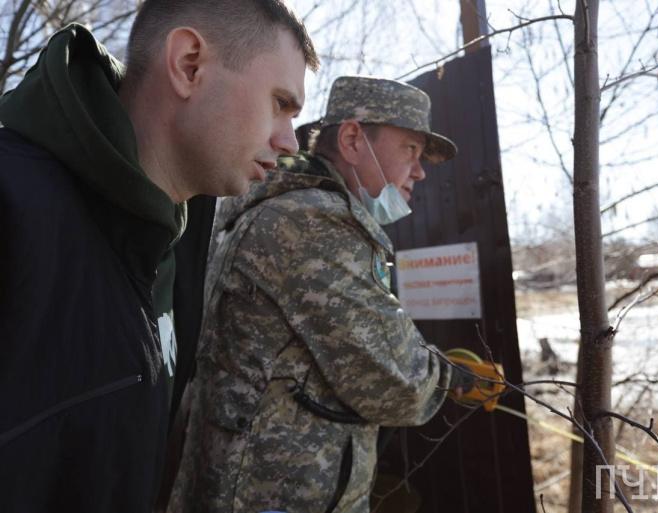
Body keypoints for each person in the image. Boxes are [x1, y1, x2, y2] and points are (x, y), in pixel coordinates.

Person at [0, 1, 318, 512]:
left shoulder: (178, 242)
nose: (289, 142)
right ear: (189, 64)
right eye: (280, 103)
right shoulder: (13, 207)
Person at [169, 76, 471, 513]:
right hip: (276, 495)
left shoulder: (284, 207)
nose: (420, 170)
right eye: (410, 149)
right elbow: (400, 384)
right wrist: (452, 379)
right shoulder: (316, 222)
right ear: (352, 140)